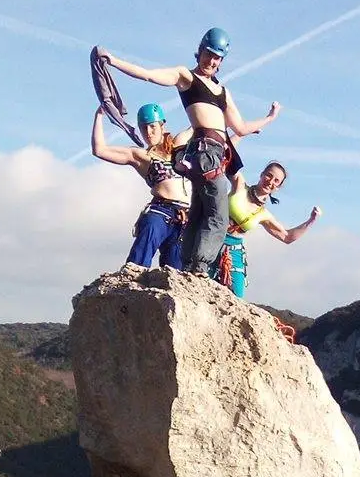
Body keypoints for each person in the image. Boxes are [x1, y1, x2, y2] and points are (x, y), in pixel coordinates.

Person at [96, 29, 280, 273]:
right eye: (208, 54)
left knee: (199, 212)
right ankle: (199, 267)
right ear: (200, 51)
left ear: (222, 62)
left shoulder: (223, 92)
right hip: (204, 152)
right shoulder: (187, 77)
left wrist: (269, 118)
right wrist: (115, 61)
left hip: (214, 154)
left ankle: (189, 264)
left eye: (217, 58)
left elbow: (241, 127)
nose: (211, 61)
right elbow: (150, 75)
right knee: (218, 216)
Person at [90, 102, 191, 268]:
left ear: (162, 125)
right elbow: (99, 150)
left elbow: (203, 123)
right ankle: (129, 284)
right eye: (143, 128)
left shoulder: (180, 147)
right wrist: (99, 116)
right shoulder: (142, 155)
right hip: (161, 211)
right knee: (138, 263)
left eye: (152, 127)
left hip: (184, 218)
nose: (148, 132)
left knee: (177, 273)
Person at [214, 162, 320, 302]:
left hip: (234, 250)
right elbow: (229, 161)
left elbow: (287, 237)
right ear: (262, 174)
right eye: (269, 176)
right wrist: (237, 138)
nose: (270, 181)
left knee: (237, 296)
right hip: (212, 240)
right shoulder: (240, 186)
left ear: (278, 187)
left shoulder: (264, 215)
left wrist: (310, 221)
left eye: (276, 180)